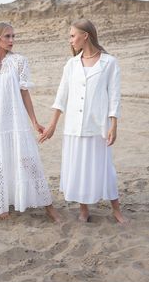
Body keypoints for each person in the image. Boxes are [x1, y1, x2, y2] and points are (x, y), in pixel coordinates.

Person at [39, 18, 128, 224]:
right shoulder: (71, 64)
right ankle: (84, 210)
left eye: (72, 35)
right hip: (73, 126)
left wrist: (114, 125)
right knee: (78, 168)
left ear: (85, 35)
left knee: (105, 168)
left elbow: (114, 96)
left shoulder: (109, 62)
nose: (70, 40)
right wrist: (52, 125)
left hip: (98, 126)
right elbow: (61, 96)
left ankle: (116, 210)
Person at [0, 21, 59, 221]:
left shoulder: (19, 61)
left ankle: (49, 206)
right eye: (7, 36)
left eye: (13, 36)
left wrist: (34, 121)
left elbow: (24, 93)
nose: (12, 40)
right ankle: (1, 204)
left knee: (28, 160)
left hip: (16, 120)